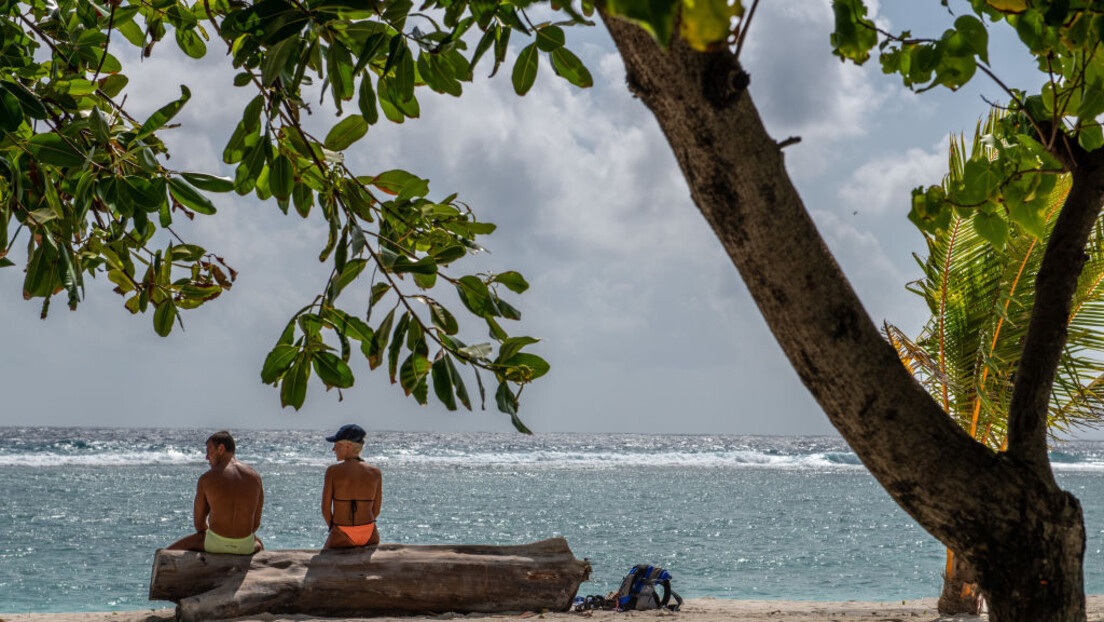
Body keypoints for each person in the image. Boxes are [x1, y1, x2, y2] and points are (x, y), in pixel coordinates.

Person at [167, 430, 264, 555]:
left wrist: (217, 537)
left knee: (167, 552)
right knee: (259, 543)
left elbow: (199, 525)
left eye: (209, 451)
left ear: (221, 448)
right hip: (245, 546)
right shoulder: (255, 477)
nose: (207, 457)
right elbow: (255, 524)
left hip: (215, 545)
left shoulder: (206, 479)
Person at [322, 424, 382, 548]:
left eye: (336, 445)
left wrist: (334, 529)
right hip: (369, 533)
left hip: (341, 533)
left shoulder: (332, 471)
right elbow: (376, 510)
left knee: (320, 565)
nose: (333, 449)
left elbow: (325, 509)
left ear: (348, 446)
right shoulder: (375, 472)